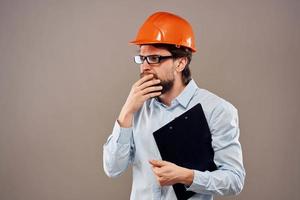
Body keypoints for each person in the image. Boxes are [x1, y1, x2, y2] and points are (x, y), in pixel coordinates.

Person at [103, 11, 245, 200]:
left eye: (154, 58)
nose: (144, 66)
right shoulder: (136, 108)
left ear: (180, 63)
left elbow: (235, 180)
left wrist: (187, 176)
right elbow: (112, 169)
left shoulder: (217, 110)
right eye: (142, 58)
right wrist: (126, 112)